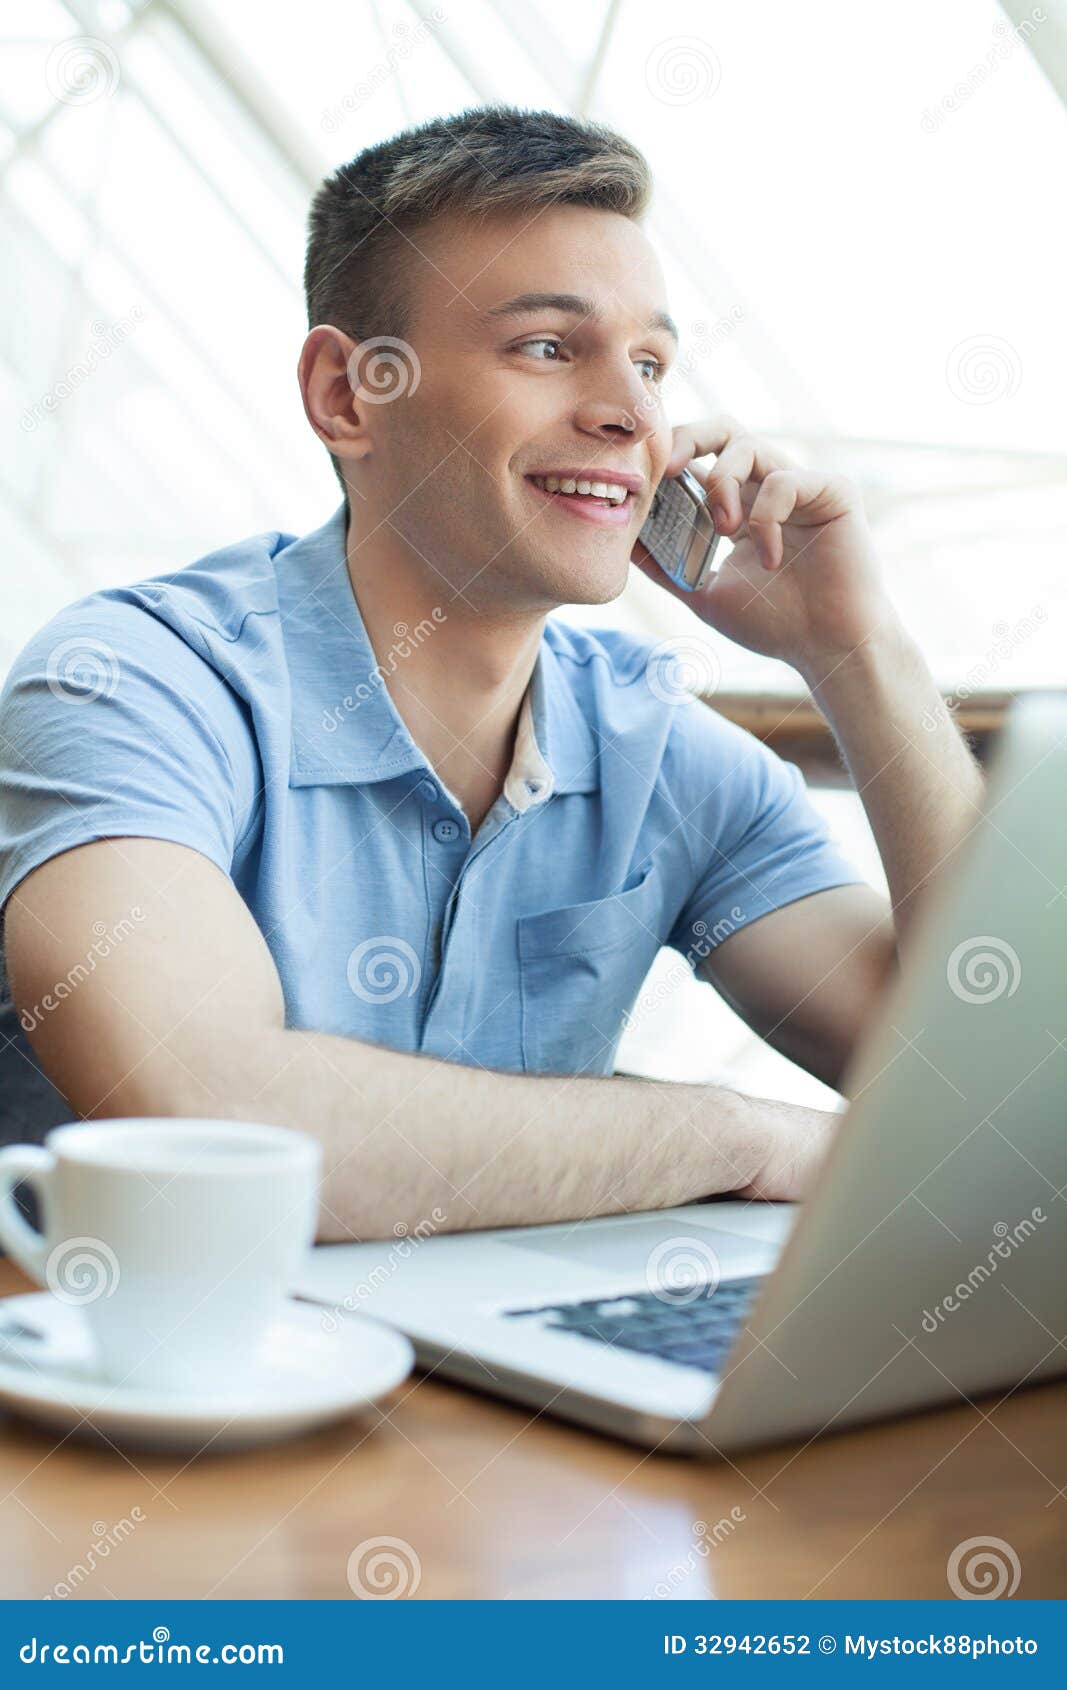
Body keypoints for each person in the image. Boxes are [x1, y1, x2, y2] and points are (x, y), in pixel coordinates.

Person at [0, 107, 984, 1239]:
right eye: (547, 347)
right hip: (131, 1397)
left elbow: (989, 1093)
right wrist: (733, 1135)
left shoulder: (663, 754)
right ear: (346, 392)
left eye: (653, 364)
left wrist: (855, 654)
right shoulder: (130, 685)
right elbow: (212, 1123)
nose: (630, 416)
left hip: (490, 1392)